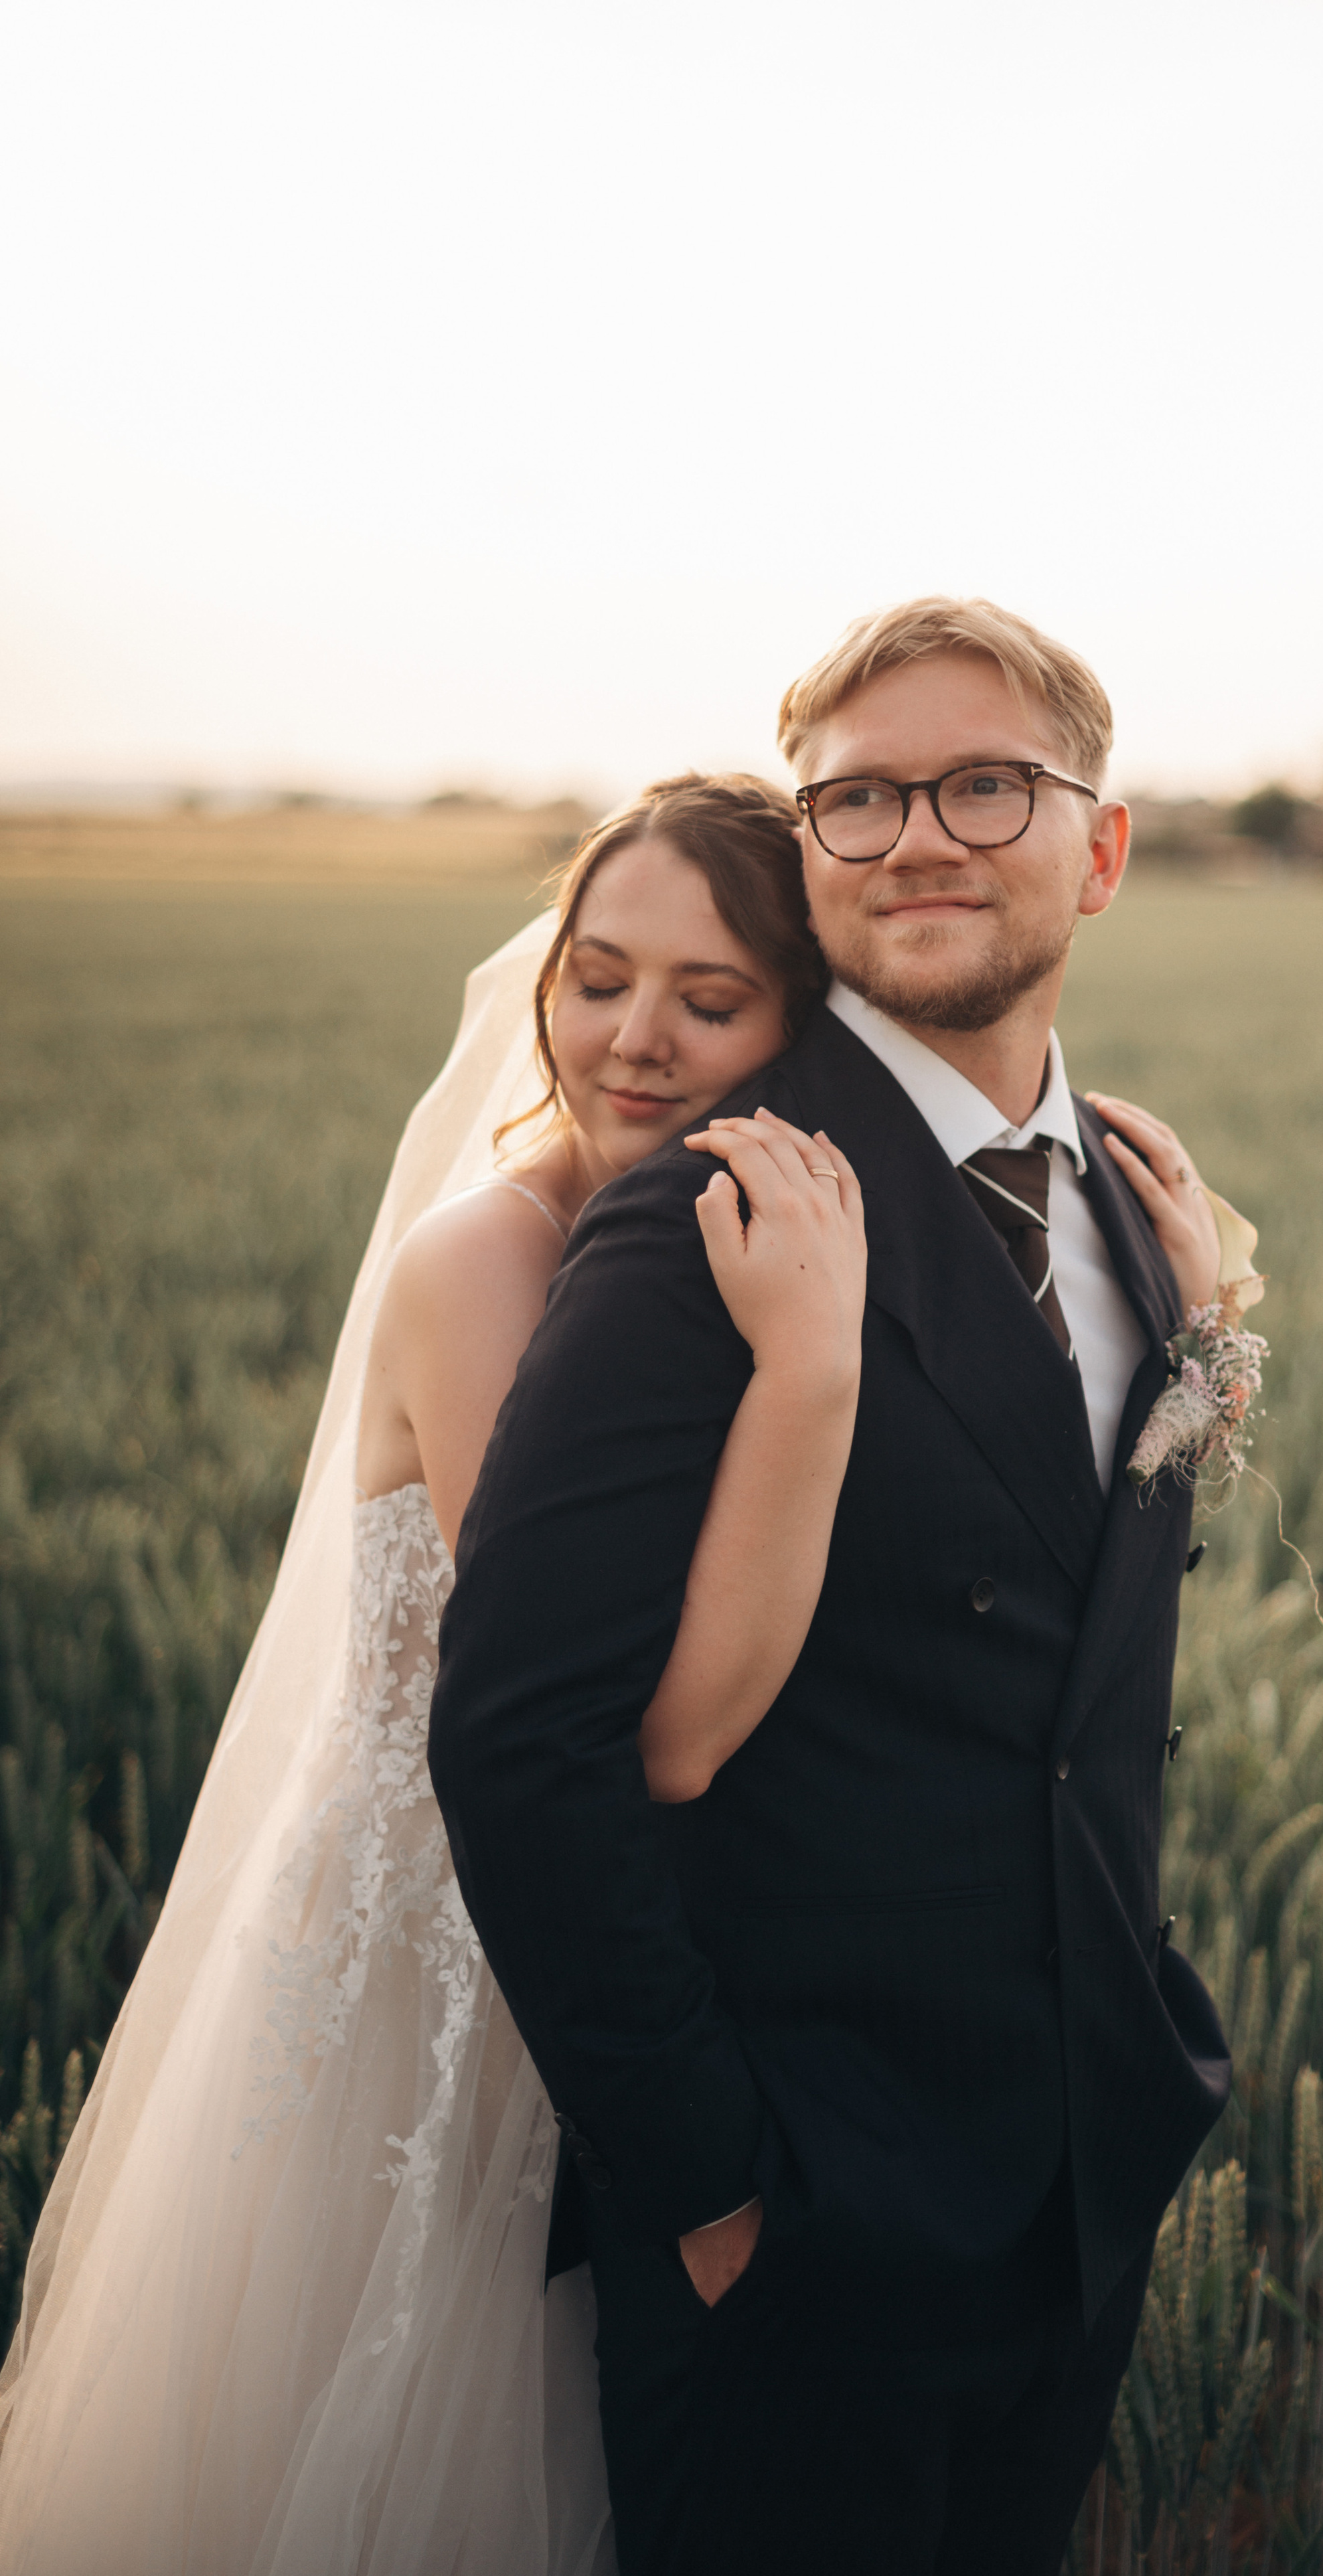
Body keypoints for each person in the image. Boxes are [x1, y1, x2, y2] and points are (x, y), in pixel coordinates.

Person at [429, 598, 1238, 2576]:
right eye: (858, 801)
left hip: (1068, 2182)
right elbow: (524, 1744)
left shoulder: (1137, 1208)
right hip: (804, 2235)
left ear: (1100, 850)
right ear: (810, 856)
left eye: (987, 785)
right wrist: (711, 2194)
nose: (922, 839)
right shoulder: (704, 1215)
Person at [0, 774, 868, 2576]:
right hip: (440, 1942)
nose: (633, 1040)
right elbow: (619, 1712)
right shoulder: (491, 1257)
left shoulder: (751, 1238)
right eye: (599, 974)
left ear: (806, 1025)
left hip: (607, 1924)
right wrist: (809, 1388)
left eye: (709, 1002)